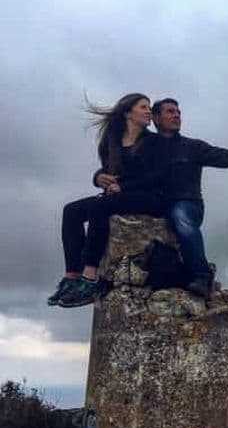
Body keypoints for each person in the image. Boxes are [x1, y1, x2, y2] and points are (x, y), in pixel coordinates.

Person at [48, 93, 168, 308]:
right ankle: (72, 276)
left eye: (149, 107)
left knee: (99, 206)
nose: (149, 111)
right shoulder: (111, 141)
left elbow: (157, 177)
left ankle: (90, 276)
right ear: (127, 112)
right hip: (119, 196)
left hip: (151, 197)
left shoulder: (154, 142)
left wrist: (123, 187)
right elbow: (107, 171)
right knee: (72, 211)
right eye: (143, 107)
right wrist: (98, 178)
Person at [151, 98, 228, 297]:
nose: (177, 115)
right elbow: (122, 163)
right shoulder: (146, 146)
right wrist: (100, 177)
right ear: (155, 118)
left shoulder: (192, 146)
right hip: (157, 203)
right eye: (170, 112)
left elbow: (224, 158)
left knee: (180, 215)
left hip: (188, 204)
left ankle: (202, 276)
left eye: (178, 112)